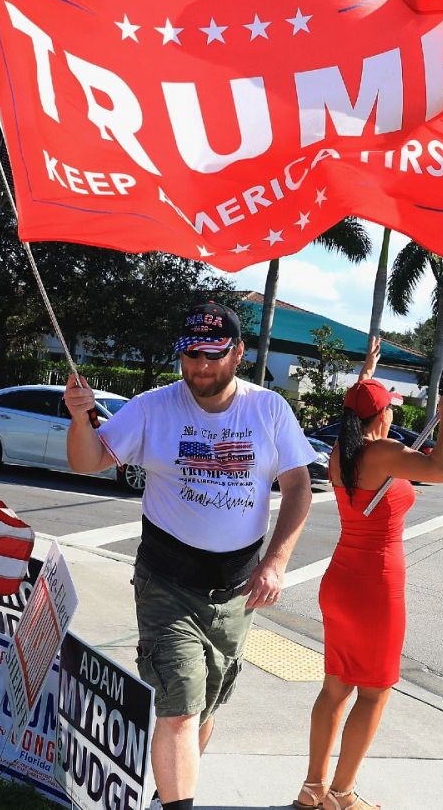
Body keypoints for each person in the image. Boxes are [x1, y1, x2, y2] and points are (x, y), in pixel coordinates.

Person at [66, 303, 316, 810]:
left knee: (202, 711)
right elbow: (88, 460)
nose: (199, 367)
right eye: (190, 355)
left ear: (239, 354)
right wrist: (78, 417)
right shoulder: (154, 407)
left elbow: (298, 486)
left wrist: (276, 562)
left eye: (212, 355)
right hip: (167, 582)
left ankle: (169, 795)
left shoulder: (268, 409)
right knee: (179, 707)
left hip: (237, 591)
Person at [294, 338, 443, 810]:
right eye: (388, 407)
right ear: (381, 417)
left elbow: (360, 403)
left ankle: (313, 789)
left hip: (341, 580)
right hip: (376, 585)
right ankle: (342, 796)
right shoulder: (384, 453)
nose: (392, 413)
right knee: (373, 692)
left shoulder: (340, 455)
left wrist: (367, 373)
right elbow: (442, 470)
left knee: (335, 689)